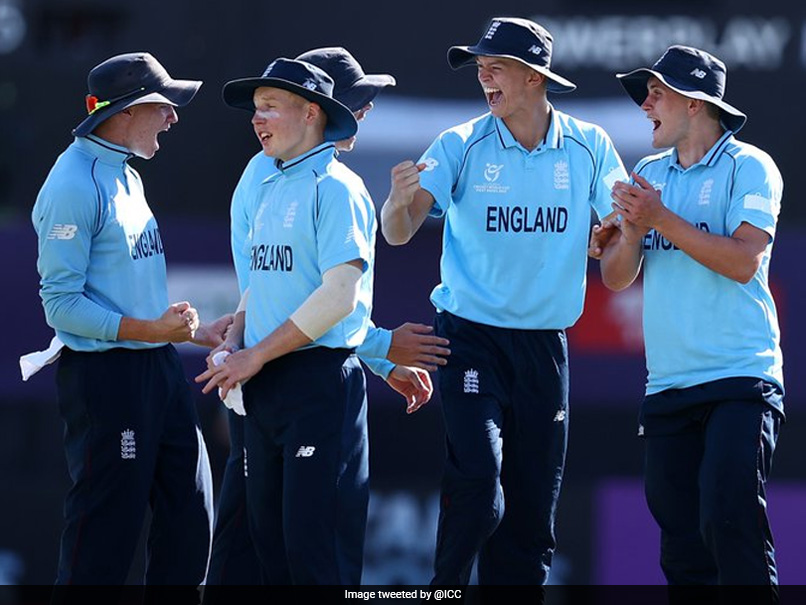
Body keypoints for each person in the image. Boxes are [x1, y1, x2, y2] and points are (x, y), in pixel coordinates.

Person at [380, 17, 628, 594]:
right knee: (479, 481)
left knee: (533, 510)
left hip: (545, 346)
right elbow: (399, 230)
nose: (484, 77)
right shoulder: (460, 143)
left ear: (535, 76)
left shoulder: (589, 145)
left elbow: (619, 218)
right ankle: (444, 586)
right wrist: (396, 200)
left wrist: (611, 231)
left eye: (496, 67)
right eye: (480, 68)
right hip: (470, 337)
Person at [204, 47, 448, 589]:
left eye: (270, 105)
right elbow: (263, 285)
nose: (363, 113)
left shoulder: (335, 185)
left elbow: (337, 299)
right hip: (263, 379)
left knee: (310, 557)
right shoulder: (264, 178)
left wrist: (250, 352)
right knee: (260, 551)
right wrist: (238, 349)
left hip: (304, 378)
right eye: (358, 101)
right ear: (324, 107)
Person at [31, 52, 229, 592]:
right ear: (127, 111)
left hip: (156, 369)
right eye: (164, 106)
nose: (174, 117)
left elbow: (128, 290)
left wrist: (193, 332)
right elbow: (62, 306)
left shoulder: (125, 173)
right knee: (105, 540)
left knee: (191, 521)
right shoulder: (73, 184)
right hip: (108, 382)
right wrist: (153, 333)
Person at [591, 45, 784, 600]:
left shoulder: (751, 165)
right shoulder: (649, 173)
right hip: (669, 385)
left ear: (696, 102)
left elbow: (743, 261)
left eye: (656, 92)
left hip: (739, 379)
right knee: (681, 544)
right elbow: (617, 278)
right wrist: (628, 233)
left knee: (731, 522)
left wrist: (658, 218)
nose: (645, 103)